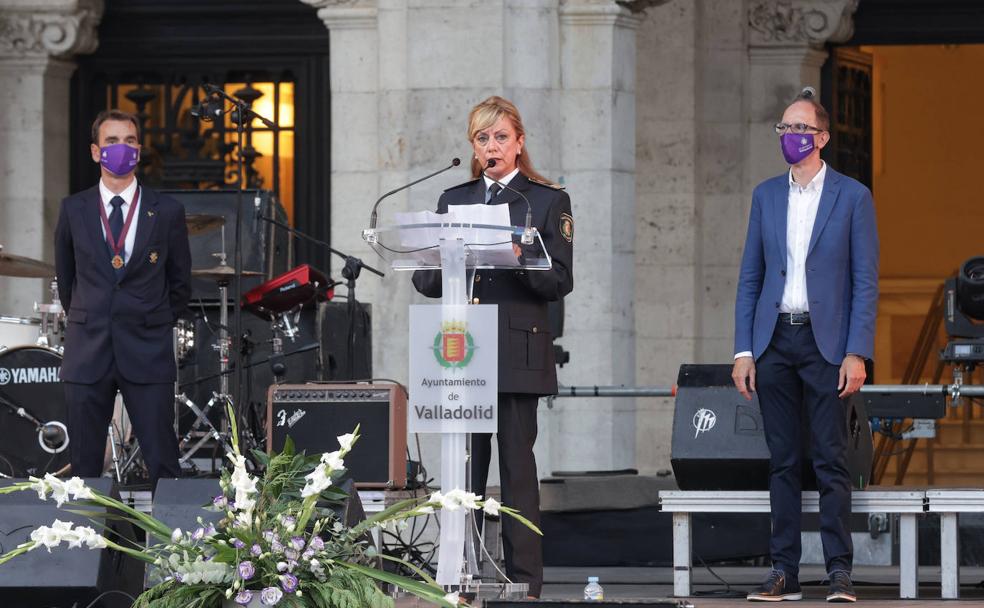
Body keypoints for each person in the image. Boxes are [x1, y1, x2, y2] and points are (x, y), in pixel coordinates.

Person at [412, 96, 574, 598]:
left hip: (518, 353)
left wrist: (521, 253)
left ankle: (524, 583)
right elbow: (425, 280)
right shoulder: (453, 199)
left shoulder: (546, 201)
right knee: (464, 467)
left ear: (519, 143)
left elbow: (560, 280)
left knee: (517, 469)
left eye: (500, 136)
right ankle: (460, 578)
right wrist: (435, 257)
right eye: (482, 138)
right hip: (462, 353)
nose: (491, 146)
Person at [732, 88, 878, 603]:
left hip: (828, 344)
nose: (791, 137)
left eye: (800, 129)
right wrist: (743, 350)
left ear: (822, 138)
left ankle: (839, 570)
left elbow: (865, 279)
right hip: (774, 340)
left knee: (833, 459)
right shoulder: (766, 195)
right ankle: (783, 571)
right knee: (782, 461)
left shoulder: (853, 196)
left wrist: (857, 351)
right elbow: (750, 277)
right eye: (784, 129)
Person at [55, 109, 192, 490]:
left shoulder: (166, 211)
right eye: (112, 141)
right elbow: (67, 280)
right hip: (88, 349)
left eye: (130, 141)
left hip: (147, 350)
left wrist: (151, 319)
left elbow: (180, 284)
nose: (122, 148)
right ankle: (85, 546)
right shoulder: (73, 209)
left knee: (164, 464)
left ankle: (170, 548)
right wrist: (90, 314)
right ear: (96, 152)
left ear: (139, 149)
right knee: (82, 469)